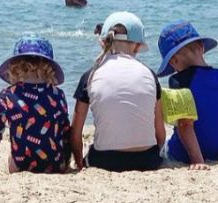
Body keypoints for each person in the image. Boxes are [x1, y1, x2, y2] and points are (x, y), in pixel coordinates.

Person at [70, 12, 164, 172]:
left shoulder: (91, 75)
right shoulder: (150, 74)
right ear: (137, 45)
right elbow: (160, 132)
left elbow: (75, 132)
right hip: (148, 160)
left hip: (105, 161)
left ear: (103, 42)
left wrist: (79, 163)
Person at [157, 20, 218, 170]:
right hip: (214, 154)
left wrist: (198, 160)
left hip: (181, 154)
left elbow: (185, 124)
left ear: (174, 61)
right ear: (202, 47)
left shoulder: (179, 80)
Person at [0, 36, 70, 173]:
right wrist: (67, 162)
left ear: (15, 66)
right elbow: (65, 133)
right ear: (49, 67)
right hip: (55, 166)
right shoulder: (58, 95)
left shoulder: (7, 96)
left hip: (21, 166)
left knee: (12, 158)